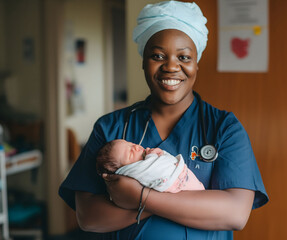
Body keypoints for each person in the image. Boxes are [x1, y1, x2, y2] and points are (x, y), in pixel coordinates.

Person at [59, 1, 268, 239]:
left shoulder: (224, 128)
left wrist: (140, 197)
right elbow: (88, 217)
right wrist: (187, 201)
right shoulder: (111, 127)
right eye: (157, 55)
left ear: (196, 64)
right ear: (143, 61)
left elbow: (235, 213)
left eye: (184, 57)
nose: (171, 66)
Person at [96, 139, 205, 193]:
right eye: (130, 153)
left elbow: (165, 162)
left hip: (185, 178)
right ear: (124, 170)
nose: (136, 147)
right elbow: (156, 170)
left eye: (131, 144)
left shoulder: (145, 159)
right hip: (180, 185)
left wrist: (159, 154)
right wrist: (153, 156)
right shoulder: (135, 172)